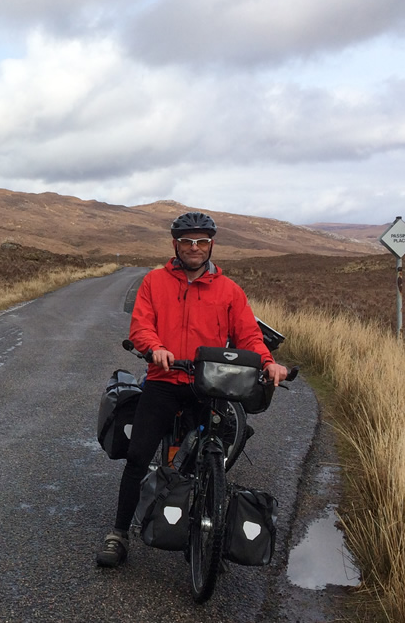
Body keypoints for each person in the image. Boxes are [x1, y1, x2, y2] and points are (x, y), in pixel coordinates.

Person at [96, 211, 289, 567]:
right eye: (187, 241)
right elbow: (141, 326)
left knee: (217, 451)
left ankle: (206, 512)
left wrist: (266, 362)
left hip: (210, 385)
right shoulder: (155, 282)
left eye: (202, 241)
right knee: (139, 457)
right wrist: (155, 348)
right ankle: (119, 534)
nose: (194, 248)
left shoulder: (229, 290)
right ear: (176, 244)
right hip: (164, 381)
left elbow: (248, 335)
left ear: (211, 244)